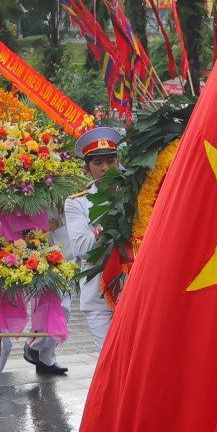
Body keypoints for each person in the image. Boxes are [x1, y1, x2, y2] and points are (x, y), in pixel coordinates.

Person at [62, 127, 125, 356]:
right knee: (109, 360)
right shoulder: (76, 203)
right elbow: (85, 249)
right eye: (98, 162)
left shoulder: (137, 194)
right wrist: (112, 213)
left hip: (132, 288)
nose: (106, 168)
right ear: (87, 169)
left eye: (111, 160)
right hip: (98, 291)